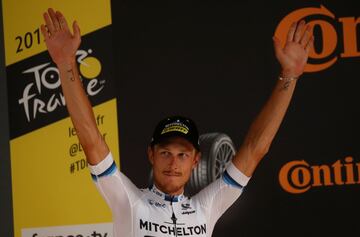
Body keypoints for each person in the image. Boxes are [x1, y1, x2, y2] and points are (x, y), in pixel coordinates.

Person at [41, 7, 313, 237]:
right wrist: (66, 63)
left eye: (182, 154)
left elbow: (256, 148)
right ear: (151, 154)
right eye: (165, 152)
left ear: (196, 160)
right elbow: (90, 139)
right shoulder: (129, 201)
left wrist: (289, 75)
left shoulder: (205, 209)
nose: (173, 163)